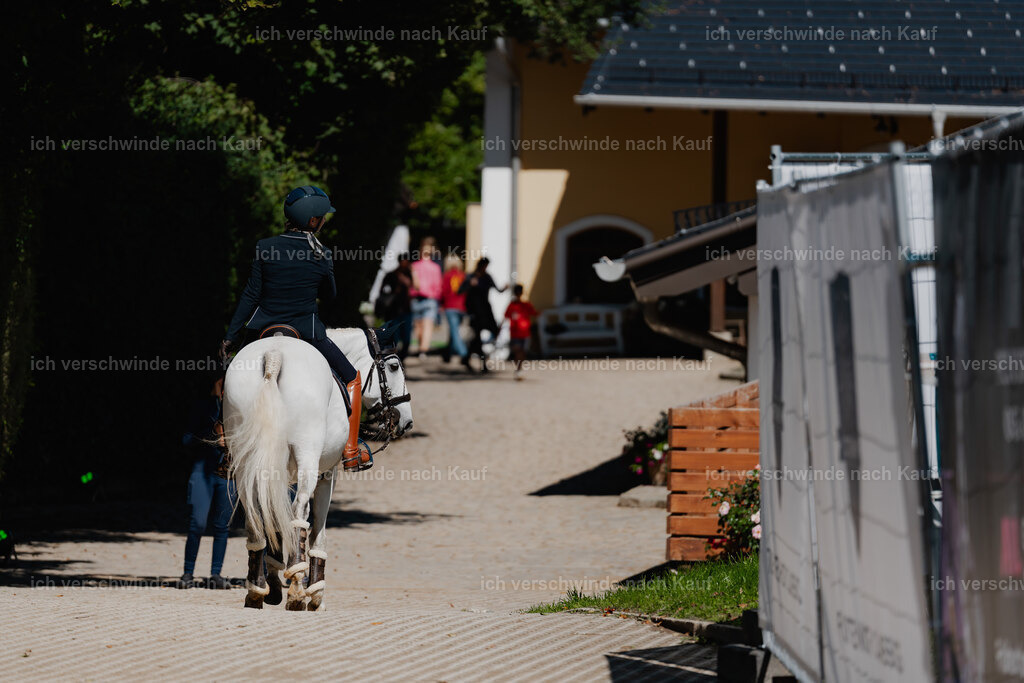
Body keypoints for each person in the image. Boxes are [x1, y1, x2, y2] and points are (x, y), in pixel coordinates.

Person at [220, 185, 370, 469]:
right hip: (307, 330)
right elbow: (331, 297)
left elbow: (251, 294)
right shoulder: (321, 253)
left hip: (260, 329)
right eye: (323, 217)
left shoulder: (264, 246)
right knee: (353, 380)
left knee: (229, 375)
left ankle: (226, 445)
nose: (324, 220)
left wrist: (230, 336)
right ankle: (351, 449)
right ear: (313, 222)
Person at [178, 376, 236, 589]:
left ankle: (216, 574)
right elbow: (186, 439)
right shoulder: (202, 406)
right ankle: (187, 572)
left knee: (222, 526)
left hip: (228, 474)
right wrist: (212, 438)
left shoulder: (239, 408)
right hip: (203, 471)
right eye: (221, 382)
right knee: (198, 523)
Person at [460, 257, 507, 373]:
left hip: (485, 310)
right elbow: (460, 290)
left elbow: (498, 289)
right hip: (475, 311)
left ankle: (468, 358)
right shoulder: (471, 276)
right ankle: (481, 363)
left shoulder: (487, 277)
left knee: (492, 332)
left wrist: (504, 289)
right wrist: (470, 284)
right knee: (477, 338)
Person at [409, 237, 443, 360]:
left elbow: (437, 285)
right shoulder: (429, 267)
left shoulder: (418, 266)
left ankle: (422, 349)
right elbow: (438, 285)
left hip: (423, 299)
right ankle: (422, 349)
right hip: (424, 299)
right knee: (423, 326)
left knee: (423, 326)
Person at [378, 252, 414, 358]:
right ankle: (394, 358)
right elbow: (383, 292)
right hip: (393, 312)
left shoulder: (410, 274)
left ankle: (401, 359)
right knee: (395, 338)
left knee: (407, 339)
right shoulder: (391, 275)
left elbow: (416, 286)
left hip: (407, 311)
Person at [440, 253, 470, 369]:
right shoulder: (463, 275)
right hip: (462, 307)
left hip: (450, 307)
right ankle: (447, 354)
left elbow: (443, 291)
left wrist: (441, 304)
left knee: (454, 332)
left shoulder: (446, 276)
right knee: (453, 331)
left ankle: (464, 354)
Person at [504, 284, 537, 380]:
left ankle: (519, 369)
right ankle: (518, 369)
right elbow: (506, 317)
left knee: (522, 352)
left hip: (525, 332)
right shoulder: (512, 306)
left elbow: (534, 313)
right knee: (518, 351)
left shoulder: (526, 305)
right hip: (515, 333)